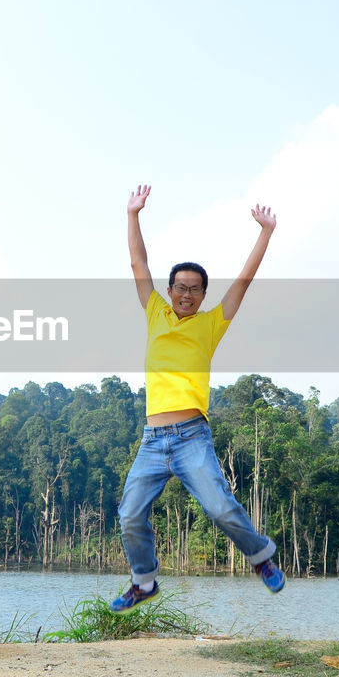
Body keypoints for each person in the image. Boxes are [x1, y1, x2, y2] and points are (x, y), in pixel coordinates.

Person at [111, 185, 285, 612]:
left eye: (195, 289)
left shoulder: (210, 324)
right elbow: (138, 262)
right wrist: (133, 215)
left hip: (191, 437)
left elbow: (243, 281)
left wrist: (265, 233)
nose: (186, 294)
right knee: (129, 515)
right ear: (169, 290)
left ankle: (260, 556)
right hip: (152, 441)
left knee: (221, 508)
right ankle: (144, 581)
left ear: (204, 295)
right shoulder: (155, 312)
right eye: (180, 287)